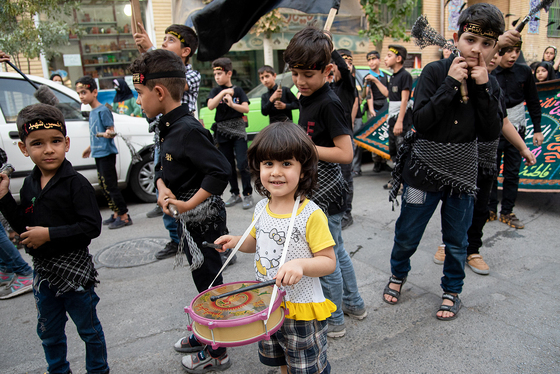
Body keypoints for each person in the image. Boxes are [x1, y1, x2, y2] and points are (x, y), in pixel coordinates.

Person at [384, 3, 504, 320]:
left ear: (495, 49)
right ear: (456, 37)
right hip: (421, 171)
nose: (477, 50)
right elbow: (420, 122)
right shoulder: (435, 72)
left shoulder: (490, 84)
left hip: (463, 175)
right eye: (471, 40)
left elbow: (492, 131)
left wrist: (481, 89)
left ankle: (452, 291)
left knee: (456, 240)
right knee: (408, 231)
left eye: (487, 44)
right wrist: (450, 83)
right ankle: (398, 274)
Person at [129, 49, 231, 373]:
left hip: (204, 223)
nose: (138, 102)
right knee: (201, 279)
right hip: (186, 224)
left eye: (140, 94)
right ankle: (206, 334)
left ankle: (218, 349)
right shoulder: (166, 125)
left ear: (158, 92)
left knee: (210, 282)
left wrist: (187, 203)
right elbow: (160, 166)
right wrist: (161, 189)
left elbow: (220, 171)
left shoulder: (188, 129)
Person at [214, 121, 337, 374]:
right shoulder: (261, 209)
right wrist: (237, 241)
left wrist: (300, 264)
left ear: (303, 170)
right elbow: (258, 244)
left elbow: (328, 261)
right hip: (267, 305)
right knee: (279, 359)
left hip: (300, 309)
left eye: (286, 163)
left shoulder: (310, 214)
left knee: (306, 367)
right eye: (268, 164)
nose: (276, 172)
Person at [0, 103, 109, 374]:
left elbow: (91, 227)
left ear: (67, 143)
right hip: (44, 275)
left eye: (56, 141)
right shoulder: (28, 185)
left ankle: (98, 370)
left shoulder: (77, 184)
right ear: (24, 149)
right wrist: (3, 198)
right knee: (48, 332)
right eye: (37, 143)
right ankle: (57, 370)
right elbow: (23, 227)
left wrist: (48, 234)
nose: (48, 149)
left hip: (76, 275)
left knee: (89, 330)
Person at [284, 26, 367, 338]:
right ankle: (355, 303)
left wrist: (302, 148)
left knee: (325, 258)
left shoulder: (330, 102)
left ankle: (334, 320)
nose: (300, 82)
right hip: (314, 186)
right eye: (295, 73)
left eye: (307, 74)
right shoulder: (308, 96)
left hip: (328, 188)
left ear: (328, 70)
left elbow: (346, 153)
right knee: (338, 250)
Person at [434, 50, 537, 275]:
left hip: (485, 159)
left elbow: (505, 122)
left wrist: (522, 148)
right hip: (458, 159)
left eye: (495, 49)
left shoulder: (494, 86)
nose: (490, 55)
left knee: (481, 207)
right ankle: (447, 244)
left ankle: (473, 250)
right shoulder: (457, 79)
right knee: (452, 206)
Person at [134, 24, 202, 260]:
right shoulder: (156, 80)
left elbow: (172, 80)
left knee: (192, 195)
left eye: (170, 40)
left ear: (186, 51)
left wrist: (151, 51)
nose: (164, 43)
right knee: (164, 190)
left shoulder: (190, 75)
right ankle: (177, 240)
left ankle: (211, 243)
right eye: (162, 40)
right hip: (162, 139)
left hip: (183, 142)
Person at [488, 38, 544, 229]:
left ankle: (507, 211)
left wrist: (537, 129)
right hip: (493, 129)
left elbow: (533, 101)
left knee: (512, 172)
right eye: (509, 51)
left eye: (517, 51)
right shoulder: (489, 71)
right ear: (498, 51)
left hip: (517, 128)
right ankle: (489, 208)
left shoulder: (524, 71)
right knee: (490, 171)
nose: (513, 55)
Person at [77, 76, 132, 229]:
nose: (81, 96)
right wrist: (90, 148)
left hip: (107, 153)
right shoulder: (92, 112)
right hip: (98, 153)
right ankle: (115, 213)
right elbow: (95, 132)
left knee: (111, 185)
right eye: (79, 93)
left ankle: (124, 215)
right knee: (104, 185)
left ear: (94, 92)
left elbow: (111, 130)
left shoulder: (103, 110)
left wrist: (108, 133)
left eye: (84, 92)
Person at [207, 57, 254, 210]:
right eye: (215, 74)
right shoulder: (215, 91)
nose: (217, 77)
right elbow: (210, 106)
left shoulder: (238, 90)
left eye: (220, 74)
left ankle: (247, 193)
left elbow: (246, 109)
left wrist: (233, 104)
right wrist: (223, 93)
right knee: (228, 166)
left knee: (242, 163)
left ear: (229, 73)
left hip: (238, 131)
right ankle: (235, 193)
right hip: (222, 133)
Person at [382, 44, 413, 190]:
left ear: (399, 58)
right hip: (392, 117)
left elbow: (405, 100)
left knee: (402, 150)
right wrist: (375, 81)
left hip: (401, 118)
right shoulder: (393, 76)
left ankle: (402, 182)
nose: (385, 59)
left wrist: (400, 121)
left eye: (389, 55)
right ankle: (396, 179)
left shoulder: (405, 75)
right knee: (393, 150)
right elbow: (389, 95)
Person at [361, 50, 390, 175]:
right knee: (374, 135)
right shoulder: (368, 77)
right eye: (369, 60)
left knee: (384, 134)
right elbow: (368, 95)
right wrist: (371, 109)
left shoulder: (384, 76)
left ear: (379, 60)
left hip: (384, 107)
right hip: (374, 108)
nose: (371, 62)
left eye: (373, 59)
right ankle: (377, 162)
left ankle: (383, 161)